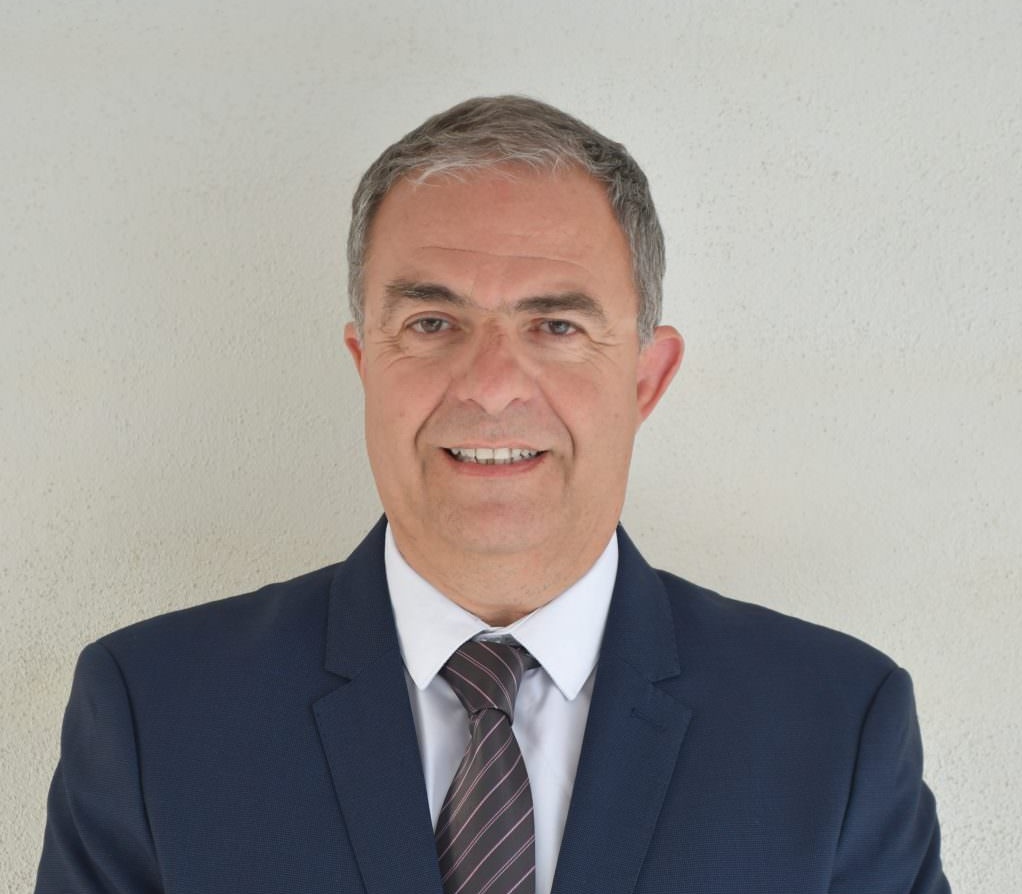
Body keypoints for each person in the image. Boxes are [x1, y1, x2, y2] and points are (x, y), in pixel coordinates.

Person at [35, 96, 950, 894]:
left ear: (646, 377)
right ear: (365, 361)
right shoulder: (156, 710)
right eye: (433, 322)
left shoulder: (835, 725)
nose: (490, 385)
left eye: (556, 325)